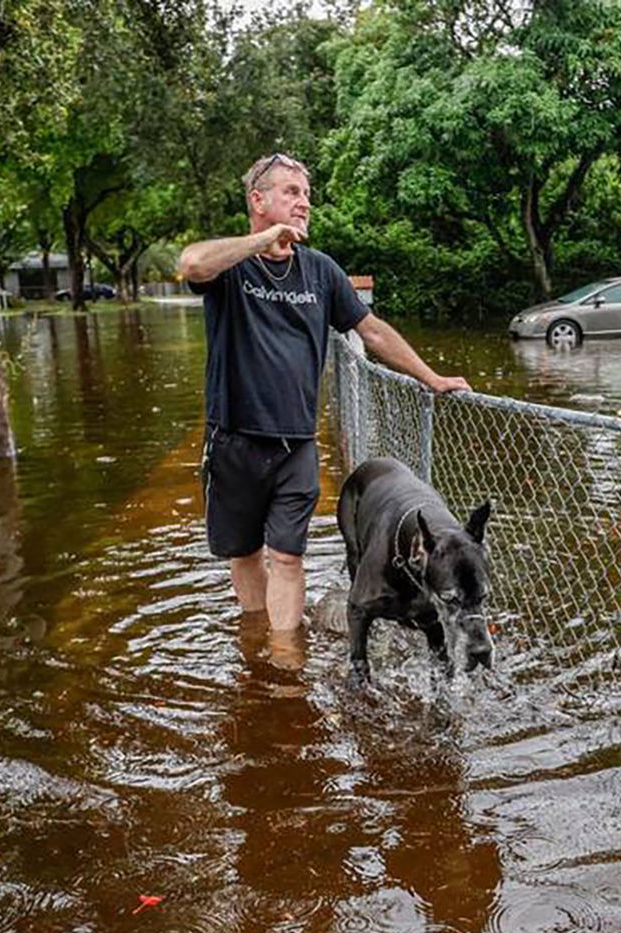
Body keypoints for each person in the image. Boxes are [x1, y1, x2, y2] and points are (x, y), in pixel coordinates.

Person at [178, 152, 471, 636]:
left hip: (297, 442)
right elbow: (191, 262)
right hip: (233, 440)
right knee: (245, 553)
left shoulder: (320, 272)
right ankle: (257, 646)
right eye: (291, 192)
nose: (303, 203)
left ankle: (285, 660)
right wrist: (262, 241)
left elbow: (372, 332)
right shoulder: (232, 269)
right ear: (258, 200)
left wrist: (431, 377)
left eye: (306, 194)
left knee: (289, 557)